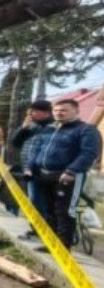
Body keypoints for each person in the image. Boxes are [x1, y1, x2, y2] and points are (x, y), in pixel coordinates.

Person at [28, 98, 102, 249]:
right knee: (49, 210)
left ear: (76, 111)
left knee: (65, 211)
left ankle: (64, 246)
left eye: (64, 110)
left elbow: (89, 153)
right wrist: (30, 166)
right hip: (44, 175)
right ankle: (52, 244)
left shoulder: (86, 130)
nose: (59, 113)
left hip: (68, 176)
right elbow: (36, 149)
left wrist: (71, 171)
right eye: (56, 110)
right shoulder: (49, 129)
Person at [11, 100, 55, 228]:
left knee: (46, 201)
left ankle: (49, 228)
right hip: (29, 168)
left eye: (35, 111)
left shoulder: (54, 126)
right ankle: (36, 228)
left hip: (47, 168)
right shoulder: (30, 125)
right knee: (34, 199)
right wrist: (23, 129)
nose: (31, 114)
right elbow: (15, 142)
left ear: (46, 113)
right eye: (31, 111)